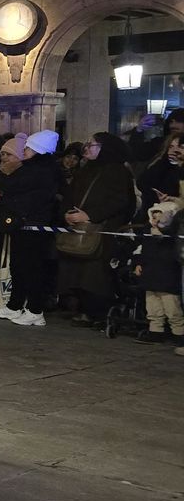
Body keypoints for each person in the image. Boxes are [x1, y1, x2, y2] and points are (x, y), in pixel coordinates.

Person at [55, 133, 134, 328]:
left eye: (92, 144)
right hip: (78, 228)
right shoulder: (85, 170)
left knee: (94, 274)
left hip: (101, 231)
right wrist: (66, 213)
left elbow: (121, 202)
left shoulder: (117, 171)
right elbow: (69, 195)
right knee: (75, 270)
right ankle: (81, 307)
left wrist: (90, 215)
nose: (87, 148)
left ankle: (96, 311)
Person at [0, 130, 62, 326]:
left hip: (34, 224)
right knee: (19, 266)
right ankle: (15, 305)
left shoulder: (40, 171)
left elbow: (18, 190)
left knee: (32, 268)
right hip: (23, 224)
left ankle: (35, 310)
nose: (25, 151)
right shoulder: (34, 169)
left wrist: (6, 196)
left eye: (29, 147)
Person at [137, 198, 183, 346]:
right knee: (152, 307)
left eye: (160, 217)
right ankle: (155, 331)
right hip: (150, 274)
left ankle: (179, 333)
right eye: (154, 216)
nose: (156, 220)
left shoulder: (172, 238)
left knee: (172, 308)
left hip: (167, 276)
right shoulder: (148, 233)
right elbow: (142, 250)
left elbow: (176, 255)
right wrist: (138, 263)